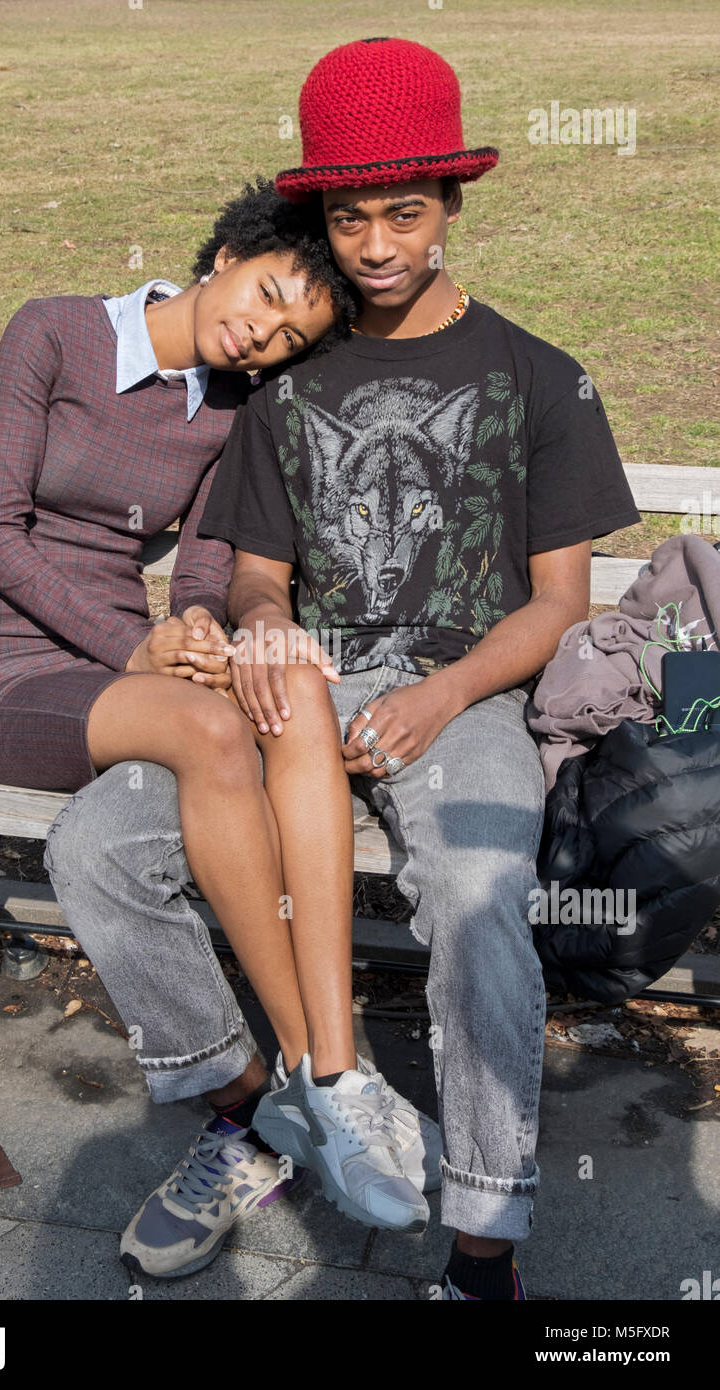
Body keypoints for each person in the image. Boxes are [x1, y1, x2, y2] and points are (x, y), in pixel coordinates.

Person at [195, 38, 643, 1300]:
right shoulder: (290, 378)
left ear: (451, 206)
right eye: (349, 215)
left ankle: (484, 1242)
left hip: (466, 695)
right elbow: (254, 571)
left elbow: (559, 603)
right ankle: (269, 1115)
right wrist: (266, 628)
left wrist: (440, 695)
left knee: (475, 880)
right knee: (105, 844)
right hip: (305, 690)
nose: (377, 243)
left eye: (403, 211)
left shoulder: (537, 376)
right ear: (321, 218)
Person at [0, 175, 433, 1281]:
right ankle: (314, 1072)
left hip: (132, 669)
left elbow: (207, 563)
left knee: (251, 707)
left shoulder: (231, 406)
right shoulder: (54, 331)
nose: (259, 336)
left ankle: (297, 1089)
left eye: (285, 339)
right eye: (265, 296)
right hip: (6, 667)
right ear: (224, 255)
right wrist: (137, 654)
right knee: (215, 738)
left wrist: (203, 629)